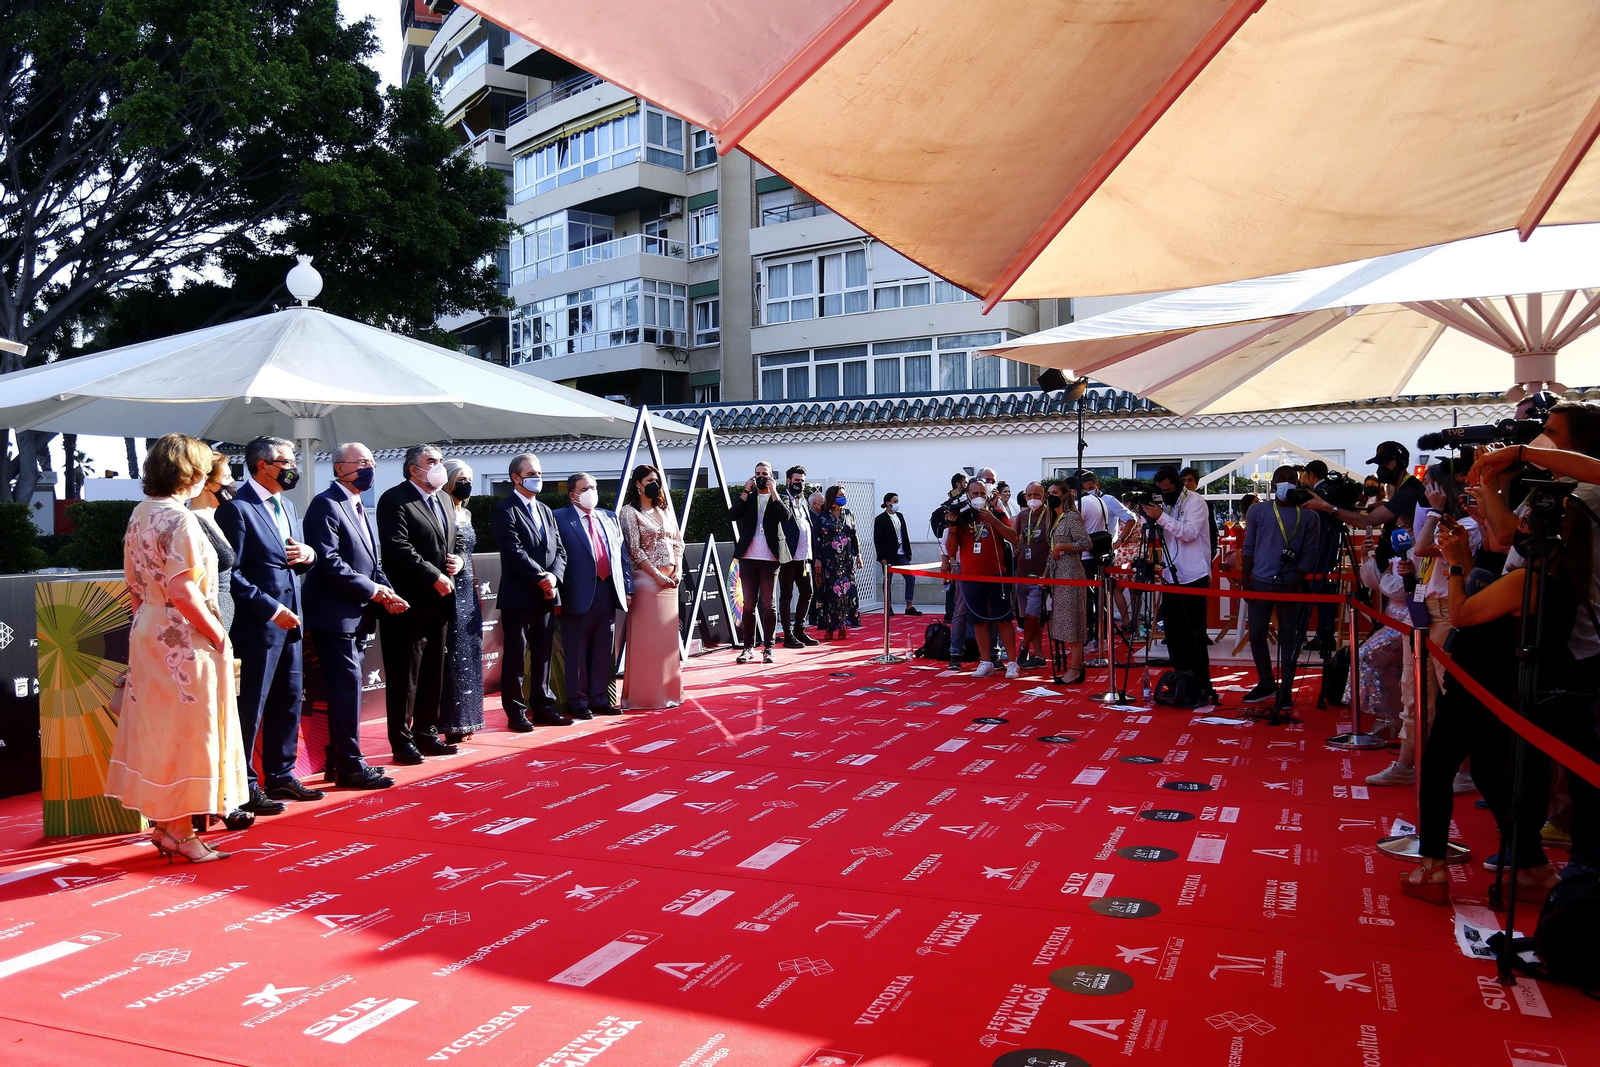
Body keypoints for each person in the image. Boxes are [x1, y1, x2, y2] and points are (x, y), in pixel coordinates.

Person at [1403, 514, 1584, 903]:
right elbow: (1483, 600)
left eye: (1523, 521)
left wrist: (1455, 566)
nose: (1513, 525)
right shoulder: (1558, 579)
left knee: (1437, 767)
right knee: (1490, 773)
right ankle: (1533, 867)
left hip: (1482, 688)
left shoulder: (1527, 580)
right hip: (1503, 691)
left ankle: (1433, 867)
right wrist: (1465, 558)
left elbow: (1463, 614)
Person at [107, 434, 247, 863]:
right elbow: (184, 591)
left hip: (149, 629)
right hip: (183, 638)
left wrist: (144, 632)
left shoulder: (140, 513)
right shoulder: (182, 519)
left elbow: (134, 587)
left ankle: (168, 828)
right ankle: (184, 834)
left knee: (162, 730)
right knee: (190, 732)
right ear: (191, 473)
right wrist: (218, 635)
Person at [216, 435, 320, 814]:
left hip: (292, 623)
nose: (293, 468)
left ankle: (281, 774)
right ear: (263, 465)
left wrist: (309, 555)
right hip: (258, 628)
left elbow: (293, 560)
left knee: (288, 701)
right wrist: (270, 609)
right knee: (251, 708)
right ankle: (245, 785)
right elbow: (231, 574)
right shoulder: (237, 510)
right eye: (287, 462)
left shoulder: (287, 505)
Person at [1363, 456, 1477, 787]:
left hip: (1447, 612)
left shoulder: (1465, 525)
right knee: (1412, 694)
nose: (1424, 492)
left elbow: (1424, 547)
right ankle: (1406, 763)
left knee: (1452, 694)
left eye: (1429, 486)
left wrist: (1435, 512)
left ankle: (1466, 771)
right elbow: (1420, 555)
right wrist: (1410, 572)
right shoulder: (1437, 522)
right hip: (1421, 610)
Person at [302, 442, 405, 790]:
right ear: (340, 468)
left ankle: (338, 760)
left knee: (348, 691)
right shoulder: (325, 504)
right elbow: (329, 562)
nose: (368, 468)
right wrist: (373, 590)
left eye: (371, 461)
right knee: (345, 691)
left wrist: (386, 590)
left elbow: (371, 563)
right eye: (361, 462)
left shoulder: (358, 505)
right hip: (335, 616)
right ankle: (349, 765)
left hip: (358, 615)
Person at [377, 444, 466, 762]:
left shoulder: (444, 499)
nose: (439, 466)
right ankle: (402, 741)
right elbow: (397, 547)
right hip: (407, 602)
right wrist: (433, 575)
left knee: (432, 671)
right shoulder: (394, 499)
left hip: (439, 602)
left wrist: (459, 560)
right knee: (405, 675)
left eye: (441, 460)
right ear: (414, 469)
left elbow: (454, 540)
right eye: (432, 461)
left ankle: (427, 733)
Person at [493, 453, 568, 728]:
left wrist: (554, 577)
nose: (538, 478)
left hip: (546, 595)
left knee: (543, 653)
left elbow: (559, 549)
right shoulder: (505, 510)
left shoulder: (546, 510)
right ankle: (515, 712)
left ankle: (544, 706)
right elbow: (513, 551)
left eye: (539, 473)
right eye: (531, 474)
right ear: (516, 477)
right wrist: (541, 577)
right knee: (516, 656)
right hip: (519, 595)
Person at [1239, 466, 1322, 710]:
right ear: (1273, 484)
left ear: (1298, 483)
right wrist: (1246, 581)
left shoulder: (1309, 516)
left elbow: (1309, 554)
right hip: (1260, 582)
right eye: (1281, 479)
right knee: (1256, 635)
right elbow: (1249, 545)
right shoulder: (1257, 510)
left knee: (1289, 638)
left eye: (1291, 479)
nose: (1286, 483)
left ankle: (1286, 688)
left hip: (1292, 585)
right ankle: (1266, 681)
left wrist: (1293, 587)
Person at [554, 472, 632, 718]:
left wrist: (627, 587)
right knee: (576, 650)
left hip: (607, 590)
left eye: (594, 487)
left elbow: (622, 555)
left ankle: (600, 699)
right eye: (585, 488)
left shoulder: (609, 517)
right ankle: (578, 702)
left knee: (603, 649)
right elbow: (554, 555)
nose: (592, 492)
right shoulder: (559, 518)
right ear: (572, 495)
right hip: (575, 593)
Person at [1139, 465, 1218, 703]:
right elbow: (1157, 536)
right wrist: (1148, 516)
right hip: (1171, 575)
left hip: (1194, 575)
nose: (1165, 494)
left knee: (1193, 634)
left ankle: (1202, 687)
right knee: (1173, 635)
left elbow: (1189, 533)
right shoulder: (1165, 504)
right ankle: (1181, 683)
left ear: (1179, 485)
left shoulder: (1195, 502)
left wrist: (1161, 517)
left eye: (1169, 490)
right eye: (1161, 490)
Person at [619, 464, 685, 709]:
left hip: (671, 582)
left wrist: (678, 569)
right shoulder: (629, 512)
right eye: (649, 480)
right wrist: (656, 575)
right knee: (648, 642)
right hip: (647, 583)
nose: (654, 484)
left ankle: (669, 693)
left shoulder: (664, 509)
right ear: (638, 483)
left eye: (657, 480)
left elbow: (678, 542)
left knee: (667, 644)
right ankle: (646, 696)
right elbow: (634, 550)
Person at [942, 477, 1020, 679]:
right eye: (975, 493)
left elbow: (1014, 537)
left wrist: (993, 520)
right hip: (971, 576)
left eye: (982, 493)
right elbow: (951, 551)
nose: (979, 497)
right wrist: (952, 528)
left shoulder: (996, 512)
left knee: (1003, 620)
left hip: (997, 575)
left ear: (988, 495)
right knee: (978, 621)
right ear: (968, 495)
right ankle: (985, 662)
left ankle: (1012, 662)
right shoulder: (962, 516)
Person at [440, 458, 485, 742]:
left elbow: (469, 554)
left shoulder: (466, 513)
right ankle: (450, 723)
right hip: (449, 587)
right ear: (447, 482)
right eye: (461, 480)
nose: (466, 485)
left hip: (468, 587)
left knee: (471, 653)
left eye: (469, 480)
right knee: (453, 657)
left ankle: (470, 720)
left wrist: (477, 589)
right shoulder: (440, 511)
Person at [729, 460, 790, 663]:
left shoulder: (779, 497)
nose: (761, 477)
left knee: (768, 604)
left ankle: (769, 648)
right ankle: (748, 647)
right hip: (748, 557)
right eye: (758, 473)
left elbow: (785, 516)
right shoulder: (749, 498)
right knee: (748, 605)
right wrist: (745, 491)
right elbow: (732, 515)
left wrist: (773, 492)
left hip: (770, 559)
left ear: (771, 476)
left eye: (765, 473)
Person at [1076, 471, 1136, 645]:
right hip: (1087, 553)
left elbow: (1130, 518)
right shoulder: (1081, 502)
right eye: (1085, 489)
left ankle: (1102, 634)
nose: (1089, 491)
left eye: (1091, 487)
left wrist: (1119, 541)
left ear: (1097, 485)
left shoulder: (1109, 500)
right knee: (1088, 597)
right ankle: (1091, 633)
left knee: (1102, 596)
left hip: (1105, 554)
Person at [1047, 483, 1094, 682]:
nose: (1050, 496)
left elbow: (1086, 543)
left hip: (1071, 573)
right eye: (1049, 493)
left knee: (1073, 622)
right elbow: (1052, 550)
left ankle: (1075, 668)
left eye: (1054, 493)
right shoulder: (1054, 518)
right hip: (1058, 574)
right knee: (1065, 622)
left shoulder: (1072, 516)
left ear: (1065, 495)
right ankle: (1077, 665)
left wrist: (1063, 546)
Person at [189, 453, 237, 631]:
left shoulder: (215, 518)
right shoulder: (193, 522)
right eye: (227, 477)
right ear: (206, 483)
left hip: (221, 619)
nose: (232, 482)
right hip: (208, 624)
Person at [1012, 482, 1055, 670]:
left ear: (1044, 496)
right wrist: (1017, 548)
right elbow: (1014, 537)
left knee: (1033, 616)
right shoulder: (1022, 516)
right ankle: (1038, 655)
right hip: (1022, 572)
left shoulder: (1051, 515)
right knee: (1028, 618)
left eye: (1036, 495)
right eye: (1029, 496)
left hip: (1041, 575)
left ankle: (1024, 647)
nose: (1032, 499)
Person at [812, 484, 862, 639]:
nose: (843, 498)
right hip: (829, 560)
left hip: (846, 561)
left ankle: (843, 626)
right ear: (832, 497)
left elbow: (854, 535)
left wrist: (858, 554)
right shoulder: (823, 516)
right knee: (830, 593)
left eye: (843, 495)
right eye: (840, 495)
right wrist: (818, 559)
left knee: (846, 592)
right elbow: (816, 539)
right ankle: (829, 627)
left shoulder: (849, 514)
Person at [777, 465, 818, 647]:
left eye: (802, 481)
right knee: (786, 594)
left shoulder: (803, 501)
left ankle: (799, 630)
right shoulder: (783, 498)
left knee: (807, 591)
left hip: (804, 557)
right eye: (796, 481)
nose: (800, 484)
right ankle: (787, 634)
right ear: (788, 481)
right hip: (788, 557)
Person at [874, 491, 920, 617]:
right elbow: (878, 539)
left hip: (902, 553)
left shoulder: (900, 516)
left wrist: (908, 551)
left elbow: (904, 534)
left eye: (897, 501)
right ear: (887, 503)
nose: (896, 504)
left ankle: (909, 606)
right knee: (888, 580)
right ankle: (888, 606)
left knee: (910, 578)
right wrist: (881, 557)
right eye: (894, 501)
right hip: (888, 554)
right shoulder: (880, 519)